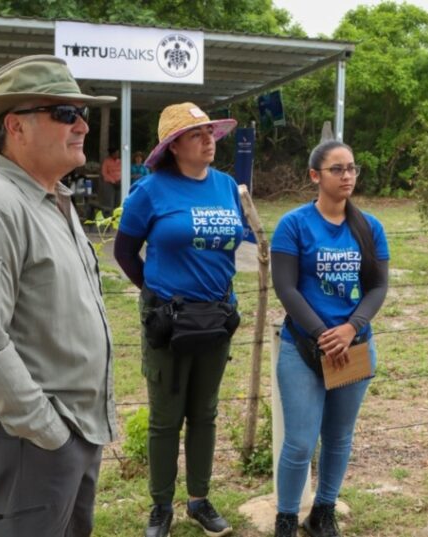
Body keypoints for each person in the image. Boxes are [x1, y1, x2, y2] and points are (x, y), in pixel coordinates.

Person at [0, 55, 117, 537]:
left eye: (81, 113)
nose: (82, 125)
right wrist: (48, 431)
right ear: (15, 126)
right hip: (29, 439)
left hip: (70, 430)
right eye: (65, 113)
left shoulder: (51, 199)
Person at [114, 102, 245, 537]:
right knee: (165, 417)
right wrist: (156, 295)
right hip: (168, 322)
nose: (208, 140)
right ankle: (161, 506)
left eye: (210, 132)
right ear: (173, 146)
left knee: (204, 413)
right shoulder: (150, 191)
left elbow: (232, 244)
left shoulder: (226, 186)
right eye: (196, 135)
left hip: (216, 316)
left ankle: (199, 500)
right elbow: (124, 252)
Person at [271, 140, 390, 537]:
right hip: (305, 348)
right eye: (337, 169)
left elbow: (378, 286)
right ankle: (286, 519)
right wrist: (323, 334)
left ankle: (322, 513)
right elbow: (286, 287)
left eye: (351, 168)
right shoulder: (294, 225)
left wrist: (352, 328)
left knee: (338, 438)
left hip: (353, 347)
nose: (347, 176)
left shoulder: (369, 227)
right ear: (314, 175)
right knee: (300, 443)